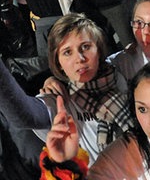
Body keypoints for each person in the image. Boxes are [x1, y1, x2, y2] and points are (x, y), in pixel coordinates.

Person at [0, 13, 133, 163]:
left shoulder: (122, 66)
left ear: (99, 49)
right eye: (67, 52)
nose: (80, 59)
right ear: (58, 64)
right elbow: (23, 116)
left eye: (85, 47)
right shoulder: (59, 98)